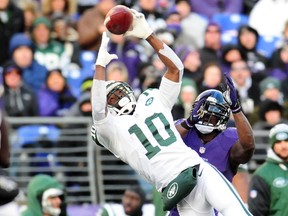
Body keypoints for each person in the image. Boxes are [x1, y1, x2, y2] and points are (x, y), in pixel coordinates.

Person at [90, 8, 252, 215]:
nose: (119, 99)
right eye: (111, 98)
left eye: (118, 93)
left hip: (199, 169)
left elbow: (176, 69)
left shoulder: (151, 100)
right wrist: (100, 66)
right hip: (178, 189)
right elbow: (97, 108)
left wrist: (149, 35)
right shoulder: (111, 131)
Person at [170, 75, 255, 215]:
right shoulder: (184, 129)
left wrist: (236, 109)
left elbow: (248, 146)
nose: (206, 117)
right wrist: (189, 122)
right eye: (202, 112)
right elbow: (166, 141)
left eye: (213, 115)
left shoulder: (229, 138)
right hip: (178, 209)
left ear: (222, 118)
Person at [248, 123, 288, 215]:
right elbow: (256, 212)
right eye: (278, 142)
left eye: (286, 141)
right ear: (272, 145)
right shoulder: (262, 174)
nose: (283, 146)